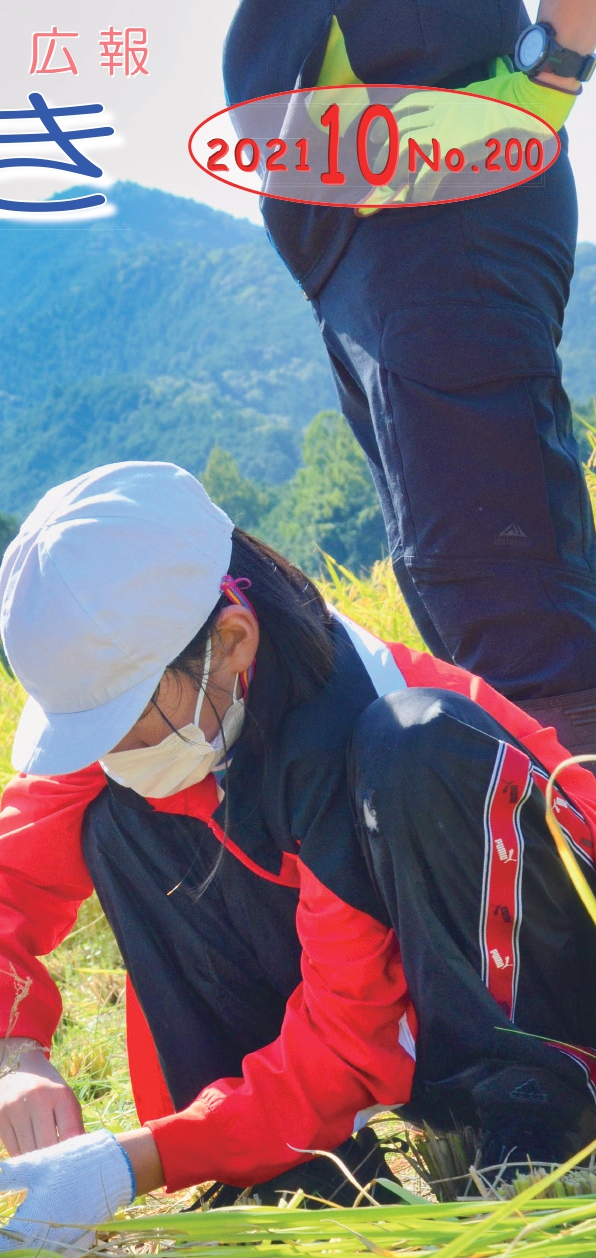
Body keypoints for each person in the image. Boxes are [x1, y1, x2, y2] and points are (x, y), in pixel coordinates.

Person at [0, 463, 596, 1258]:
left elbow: (348, 1038)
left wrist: (126, 1165)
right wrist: (13, 1056)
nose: (112, 752)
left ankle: (539, 1133)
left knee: (417, 743)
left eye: (125, 723)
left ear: (230, 641)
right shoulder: (162, 676)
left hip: (562, 982)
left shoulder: (341, 725)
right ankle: (291, 1177)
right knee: (114, 818)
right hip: (411, 1015)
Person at [224, 0, 596, 754]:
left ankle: (568, 845)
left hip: (447, 196)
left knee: (513, 618)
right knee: (461, 595)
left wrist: (553, 72)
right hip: (358, 238)